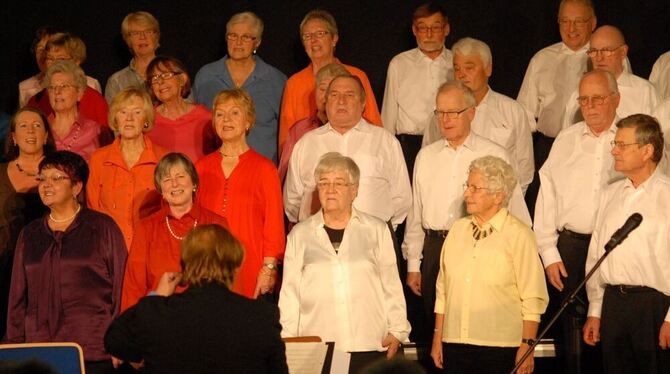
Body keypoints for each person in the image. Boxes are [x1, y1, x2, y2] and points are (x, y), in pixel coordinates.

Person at [403, 81, 531, 343]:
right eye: (440, 113)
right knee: (436, 332)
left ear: (471, 112)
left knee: (474, 329)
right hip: (435, 247)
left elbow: (517, 215)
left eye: (453, 112)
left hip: (481, 247)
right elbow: (416, 213)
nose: (445, 120)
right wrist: (414, 263)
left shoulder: (494, 153)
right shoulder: (426, 157)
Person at [279, 152, 410, 372]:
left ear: (354, 190)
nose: (330, 190)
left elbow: (391, 284)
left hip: (370, 342)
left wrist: (398, 329)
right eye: (323, 183)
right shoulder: (300, 235)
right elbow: (290, 296)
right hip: (319, 348)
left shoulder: (376, 230)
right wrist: (288, 342)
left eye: (338, 183)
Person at [106, 224, 288, 373]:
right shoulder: (261, 316)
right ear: (235, 266)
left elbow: (114, 339)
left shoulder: (157, 313)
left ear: (185, 265)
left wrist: (157, 297)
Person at [5, 151, 128, 373]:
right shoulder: (30, 234)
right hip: (39, 351)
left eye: (56, 178)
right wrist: (13, 346)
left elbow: (122, 286)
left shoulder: (101, 228)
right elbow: (17, 297)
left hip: (93, 348)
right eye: (42, 178)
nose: (46, 185)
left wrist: (120, 341)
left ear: (77, 187)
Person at [534, 69, 622, 374]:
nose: (590, 105)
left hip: (616, 249)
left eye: (597, 98)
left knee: (611, 331)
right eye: (584, 99)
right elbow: (547, 194)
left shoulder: (630, 139)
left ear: (616, 99)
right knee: (571, 335)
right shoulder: (567, 139)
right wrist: (548, 252)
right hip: (571, 246)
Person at [431, 155, 548, 374]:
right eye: (468, 186)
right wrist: (438, 337)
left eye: (475, 188)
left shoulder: (519, 234)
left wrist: (527, 345)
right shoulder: (457, 230)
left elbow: (533, 297)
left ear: (498, 196)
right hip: (455, 344)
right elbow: (443, 290)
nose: (467, 193)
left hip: (501, 348)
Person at [583, 114, 670, 373]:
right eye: (615, 143)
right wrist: (595, 309)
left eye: (622, 145)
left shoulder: (667, 196)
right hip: (614, 305)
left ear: (647, 150)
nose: (614, 151)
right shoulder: (610, 194)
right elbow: (597, 254)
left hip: (653, 307)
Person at [284, 74, 411, 229]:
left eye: (349, 95)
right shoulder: (306, 143)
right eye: (334, 95)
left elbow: (402, 198)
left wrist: (381, 232)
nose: (341, 101)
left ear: (363, 103)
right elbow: (292, 200)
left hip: (373, 241)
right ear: (326, 102)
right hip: (318, 241)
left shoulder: (385, 141)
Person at [196, 89, 285, 299]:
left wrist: (270, 268)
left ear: (248, 121)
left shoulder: (264, 168)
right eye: (219, 114)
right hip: (208, 265)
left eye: (235, 113)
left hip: (249, 266)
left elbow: (273, 224)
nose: (226, 119)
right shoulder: (201, 167)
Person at [517, 0, 597, 216]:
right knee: (547, 209)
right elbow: (524, 112)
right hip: (548, 147)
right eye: (565, 21)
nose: (571, 28)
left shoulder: (604, 56)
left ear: (593, 23)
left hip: (593, 146)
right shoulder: (542, 59)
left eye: (578, 21)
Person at [121, 152, 228, 311]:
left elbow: (228, 281)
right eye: (167, 180)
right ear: (161, 190)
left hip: (206, 317)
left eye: (180, 176)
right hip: (160, 318)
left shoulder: (216, 224)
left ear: (194, 183)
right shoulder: (146, 228)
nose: (174, 184)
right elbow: (133, 286)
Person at [425, 37, 534, 192]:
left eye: (469, 68)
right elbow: (429, 157)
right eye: (457, 68)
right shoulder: (441, 114)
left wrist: (502, 205)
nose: (461, 75)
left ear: (488, 69)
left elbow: (524, 168)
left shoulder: (512, 111)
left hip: (497, 204)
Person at [278, 9, 382, 152]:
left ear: (334, 39)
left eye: (320, 34)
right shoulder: (294, 83)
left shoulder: (357, 76)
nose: (313, 40)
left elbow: (374, 124)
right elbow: (286, 137)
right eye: (307, 36)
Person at [193, 11, 286, 163]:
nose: (238, 42)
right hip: (215, 169)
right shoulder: (206, 76)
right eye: (233, 36)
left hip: (260, 172)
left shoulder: (276, 81)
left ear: (257, 42)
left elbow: (286, 134)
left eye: (245, 37)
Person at [87, 88, 167, 248]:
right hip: (109, 249)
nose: (129, 119)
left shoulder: (163, 159)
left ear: (146, 119)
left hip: (150, 247)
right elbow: (93, 210)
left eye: (137, 112)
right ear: (115, 119)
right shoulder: (98, 159)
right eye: (123, 112)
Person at [0, 107, 55, 339]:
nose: (30, 131)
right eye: (23, 126)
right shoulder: (1, 172)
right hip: (3, 267)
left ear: (46, 136)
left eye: (37, 125)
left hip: (47, 267)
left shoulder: (61, 171)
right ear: (13, 136)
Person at [382, 2, 453, 177]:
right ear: (414, 30)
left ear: (446, 29)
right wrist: (386, 153)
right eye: (422, 28)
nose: (429, 34)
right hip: (410, 146)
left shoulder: (456, 63)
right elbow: (389, 113)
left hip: (449, 142)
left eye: (435, 27)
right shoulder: (399, 64)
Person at [561, 25, 659, 130]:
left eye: (606, 51)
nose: (599, 58)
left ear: (623, 52)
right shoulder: (579, 94)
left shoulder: (644, 91)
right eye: (593, 51)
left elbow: (658, 138)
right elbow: (567, 135)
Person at [278, 63, 348, 183]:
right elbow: (284, 176)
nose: (326, 96)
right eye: (322, 89)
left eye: (332, 90)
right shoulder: (300, 130)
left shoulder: (360, 129)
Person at [25, 32, 109, 127]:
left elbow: (105, 139)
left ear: (77, 61)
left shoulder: (94, 101)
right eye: (50, 59)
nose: (54, 64)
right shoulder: (36, 101)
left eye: (60, 59)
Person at [146, 56, 217, 162]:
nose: (160, 82)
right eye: (155, 78)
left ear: (182, 79)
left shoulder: (206, 118)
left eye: (166, 75)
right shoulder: (147, 120)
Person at [41, 61, 111, 162]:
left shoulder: (97, 131)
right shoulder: (41, 129)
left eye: (64, 86)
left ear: (79, 93)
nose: (57, 92)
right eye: (52, 87)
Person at [105, 11, 160, 103]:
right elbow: (112, 116)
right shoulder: (116, 82)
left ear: (156, 36)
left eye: (148, 31)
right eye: (136, 33)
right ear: (127, 40)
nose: (143, 37)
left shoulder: (173, 73)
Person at [18, 26, 61, 108]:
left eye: (49, 49)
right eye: (40, 50)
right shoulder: (25, 88)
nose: (46, 55)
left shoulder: (90, 85)